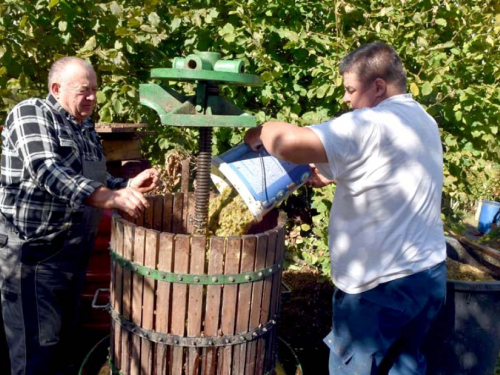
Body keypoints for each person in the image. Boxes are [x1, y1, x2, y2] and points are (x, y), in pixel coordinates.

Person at [245, 42, 447, 374]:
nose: (346, 99)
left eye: (351, 90)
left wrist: (261, 130)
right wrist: (334, 176)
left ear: (378, 86)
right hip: (426, 278)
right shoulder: (421, 119)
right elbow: (383, 170)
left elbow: (289, 143)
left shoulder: (369, 123)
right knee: (403, 367)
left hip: (378, 289)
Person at [0, 57, 159, 375]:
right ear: (56, 88)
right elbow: (48, 171)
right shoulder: (32, 113)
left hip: (70, 256)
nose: (92, 98)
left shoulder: (84, 127)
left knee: (62, 347)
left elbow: (95, 180)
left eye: (95, 90)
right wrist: (111, 197)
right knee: (36, 353)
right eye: (84, 90)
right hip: (32, 258)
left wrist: (127, 185)